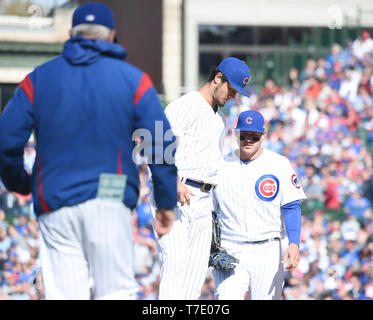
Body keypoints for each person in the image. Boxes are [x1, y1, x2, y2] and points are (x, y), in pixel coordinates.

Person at [0, 2, 177, 300]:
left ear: (70, 34)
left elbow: (5, 140)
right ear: (112, 36)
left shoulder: (38, 79)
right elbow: (160, 141)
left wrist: (21, 182)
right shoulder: (134, 79)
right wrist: (166, 200)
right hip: (110, 197)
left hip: (56, 202)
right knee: (115, 294)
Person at [150, 57, 251, 299]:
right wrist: (172, 181)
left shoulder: (218, 118)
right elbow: (156, 144)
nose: (233, 96)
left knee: (194, 278)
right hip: (177, 193)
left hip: (204, 200)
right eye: (232, 89)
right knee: (175, 266)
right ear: (218, 78)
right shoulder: (185, 105)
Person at [211, 110, 307, 300]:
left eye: (254, 136)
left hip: (268, 250)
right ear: (236, 134)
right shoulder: (219, 166)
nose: (248, 140)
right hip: (230, 247)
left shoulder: (278, 164)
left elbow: (291, 206)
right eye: (243, 135)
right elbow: (210, 212)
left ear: (263, 134)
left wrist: (294, 242)